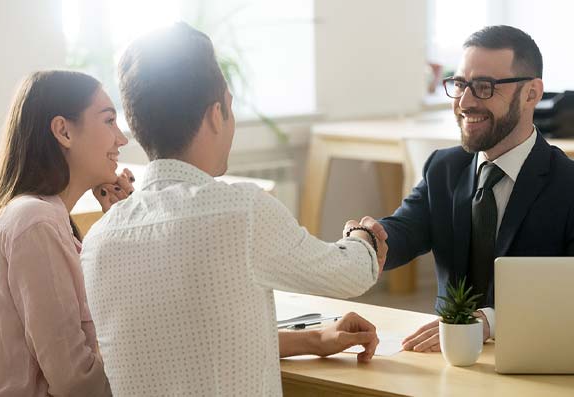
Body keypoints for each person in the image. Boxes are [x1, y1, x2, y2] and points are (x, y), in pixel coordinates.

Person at [80, 22, 387, 396]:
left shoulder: (98, 241)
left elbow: (192, 341)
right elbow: (350, 274)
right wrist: (364, 237)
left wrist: (313, 339)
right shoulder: (242, 211)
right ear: (215, 113)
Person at [360, 25, 574, 353]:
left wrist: (489, 322)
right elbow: (402, 231)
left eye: (484, 87)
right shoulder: (444, 168)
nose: (465, 102)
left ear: (531, 93)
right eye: (460, 84)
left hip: (535, 357)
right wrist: (367, 239)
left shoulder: (567, 184)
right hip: (445, 358)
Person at [0, 70, 134, 396]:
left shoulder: (46, 220)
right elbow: (77, 382)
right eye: (108, 121)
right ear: (63, 131)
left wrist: (119, 221)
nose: (122, 139)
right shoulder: (36, 224)